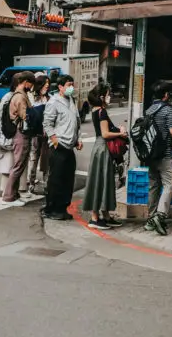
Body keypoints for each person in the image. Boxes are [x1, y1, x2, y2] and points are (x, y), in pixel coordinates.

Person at [82, 83, 126, 229]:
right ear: (101, 97)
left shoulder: (96, 110)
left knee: (102, 181)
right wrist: (121, 133)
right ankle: (95, 218)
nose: (109, 97)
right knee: (102, 181)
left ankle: (105, 215)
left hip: (99, 148)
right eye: (107, 94)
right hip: (103, 149)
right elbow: (105, 134)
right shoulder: (101, 112)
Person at [43, 74, 83, 221]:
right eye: (68, 85)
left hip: (69, 146)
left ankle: (63, 208)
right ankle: (52, 209)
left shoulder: (71, 100)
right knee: (56, 179)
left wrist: (77, 139)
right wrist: (54, 141)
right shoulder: (53, 102)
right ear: (60, 87)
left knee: (68, 179)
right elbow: (47, 123)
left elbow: (76, 121)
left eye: (72, 84)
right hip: (59, 146)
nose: (71, 87)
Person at [144, 83, 172, 236]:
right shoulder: (168, 110)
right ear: (166, 95)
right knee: (168, 184)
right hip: (164, 154)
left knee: (154, 185)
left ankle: (151, 218)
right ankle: (160, 215)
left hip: (151, 155)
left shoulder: (149, 110)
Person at [1, 70, 36, 205]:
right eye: (30, 83)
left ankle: (13, 194)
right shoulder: (21, 97)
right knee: (18, 165)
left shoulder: (17, 95)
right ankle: (8, 196)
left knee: (19, 164)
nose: (31, 87)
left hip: (18, 132)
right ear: (26, 82)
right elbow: (24, 115)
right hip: (21, 133)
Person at [27, 73, 50, 193]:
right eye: (45, 85)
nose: (47, 87)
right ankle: (31, 182)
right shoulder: (31, 97)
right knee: (33, 157)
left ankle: (47, 184)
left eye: (48, 85)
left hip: (47, 134)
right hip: (35, 133)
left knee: (46, 159)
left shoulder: (49, 98)